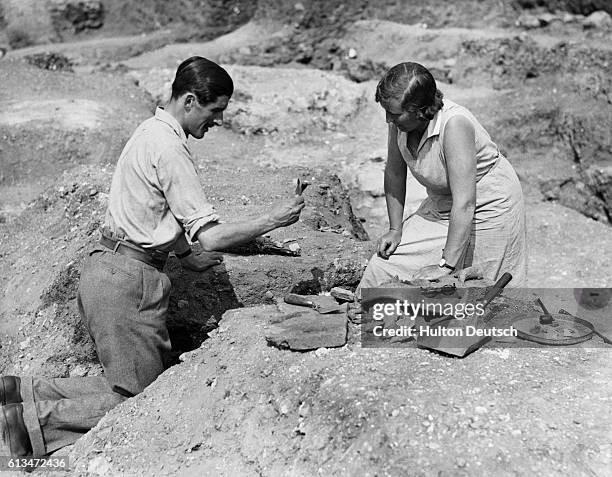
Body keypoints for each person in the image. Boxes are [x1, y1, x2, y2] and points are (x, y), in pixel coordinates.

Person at [0, 56, 305, 457]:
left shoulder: (150, 131)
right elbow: (211, 237)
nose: (216, 123)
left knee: (125, 382)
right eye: (215, 112)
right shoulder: (171, 148)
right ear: (191, 101)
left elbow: (155, 206)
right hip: (130, 283)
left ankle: (18, 392)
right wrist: (273, 219)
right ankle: (31, 425)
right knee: (140, 400)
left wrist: (184, 255)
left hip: (106, 267)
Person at [358, 62, 526, 291]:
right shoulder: (399, 123)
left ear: (420, 111)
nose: (388, 119)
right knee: (384, 266)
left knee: (480, 286)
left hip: (488, 204)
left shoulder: (455, 125)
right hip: (443, 201)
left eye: (394, 114)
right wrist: (395, 229)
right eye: (387, 112)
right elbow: (395, 171)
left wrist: (446, 265)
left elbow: (465, 203)